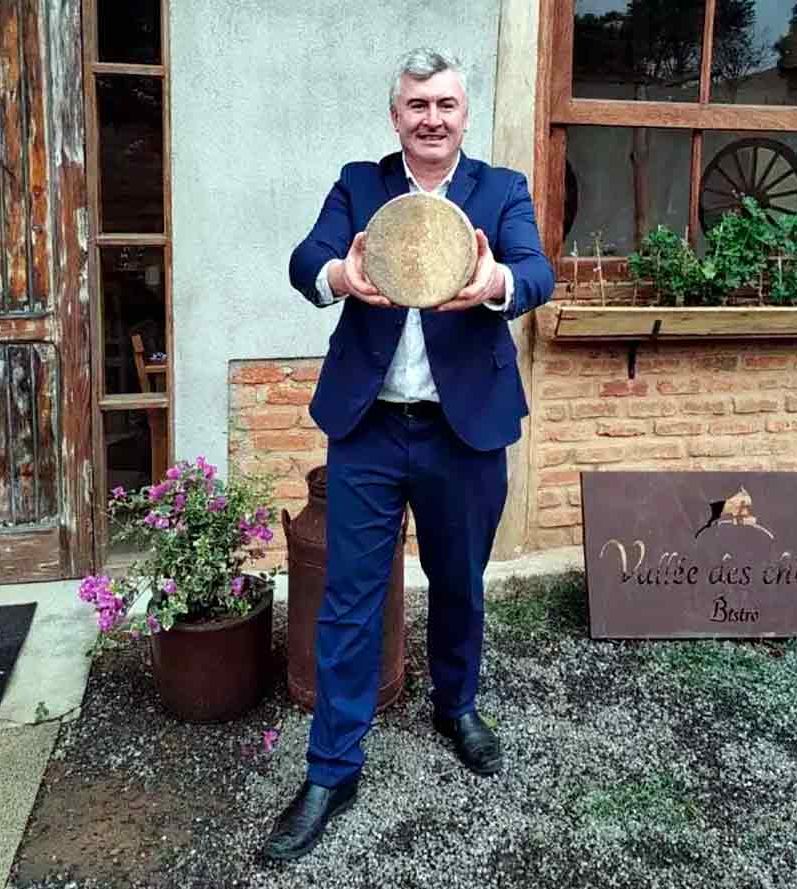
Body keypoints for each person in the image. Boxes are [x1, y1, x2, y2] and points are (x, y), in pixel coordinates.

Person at [258, 47, 555, 863]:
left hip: (466, 429)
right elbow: (303, 260)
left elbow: (539, 272)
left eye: (446, 105)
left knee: (458, 581)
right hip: (371, 428)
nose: (432, 118)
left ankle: (456, 705)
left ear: (465, 115)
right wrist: (339, 276)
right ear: (396, 116)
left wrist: (498, 282)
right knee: (351, 595)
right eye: (417, 105)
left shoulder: (501, 191)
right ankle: (332, 768)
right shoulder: (360, 183)